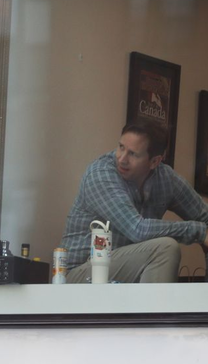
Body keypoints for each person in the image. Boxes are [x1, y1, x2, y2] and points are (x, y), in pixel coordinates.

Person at [60, 121, 208, 283]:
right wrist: (200, 232)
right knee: (165, 248)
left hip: (124, 272)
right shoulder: (101, 174)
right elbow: (137, 230)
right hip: (80, 273)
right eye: (121, 147)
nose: (122, 159)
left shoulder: (166, 179)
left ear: (154, 161)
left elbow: (204, 216)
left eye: (133, 154)